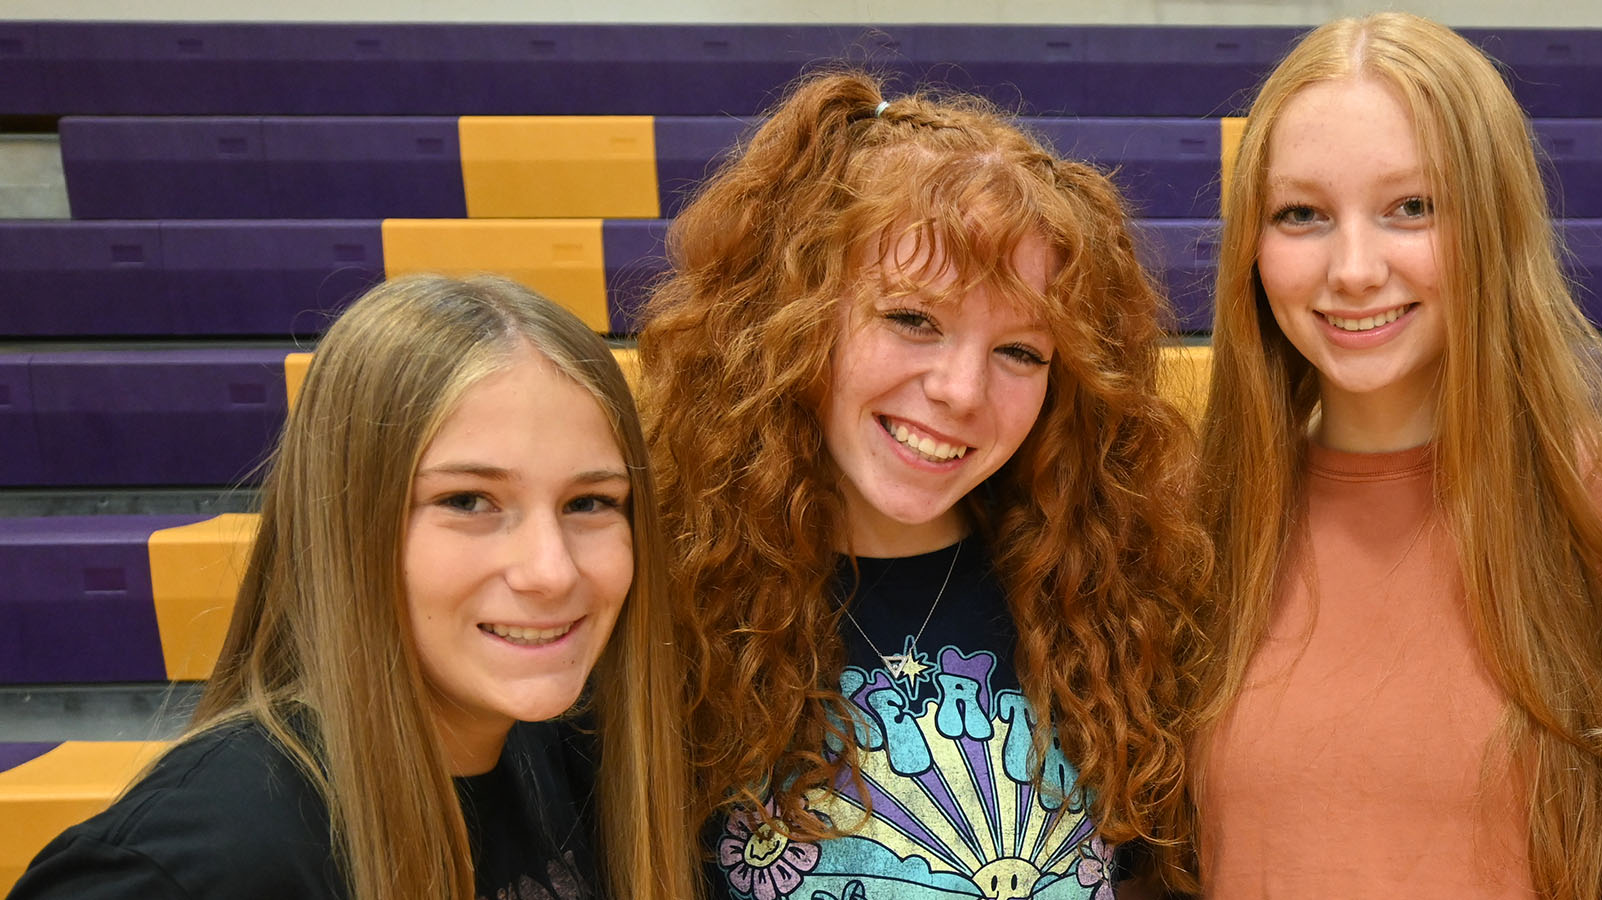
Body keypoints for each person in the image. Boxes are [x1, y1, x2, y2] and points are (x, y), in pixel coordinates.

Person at [640, 72, 1207, 899]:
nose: (962, 391)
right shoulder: (670, 605)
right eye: (913, 320)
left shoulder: (1117, 598)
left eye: (1020, 352)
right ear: (792, 320)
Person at [9, 274, 693, 900]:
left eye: (590, 503)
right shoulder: (196, 861)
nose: (551, 571)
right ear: (344, 524)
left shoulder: (563, 754)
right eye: (466, 501)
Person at [1190, 13, 1602, 898]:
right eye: (1303, 214)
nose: (1355, 268)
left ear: (1495, 223)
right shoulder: (1195, 525)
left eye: (1413, 207)